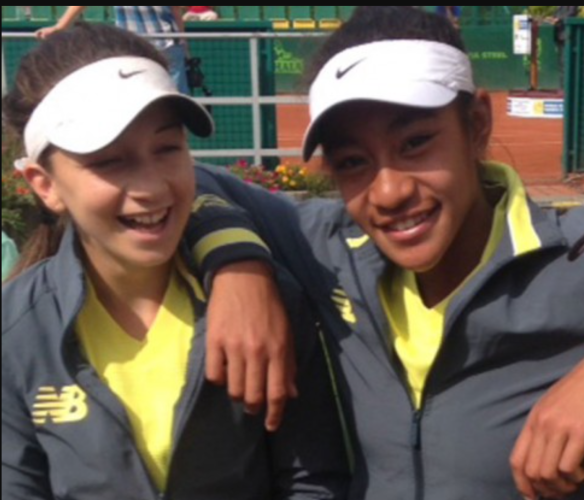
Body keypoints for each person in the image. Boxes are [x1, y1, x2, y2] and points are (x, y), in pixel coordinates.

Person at [192, 6, 584, 500]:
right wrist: (237, 267)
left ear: (477, 124)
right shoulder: (325, 246)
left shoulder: (568, 255)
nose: (389, 191)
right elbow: (194, 183)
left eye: (416, 142)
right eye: (353, 162)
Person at [1, 22, 349, 500]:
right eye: (109, 161)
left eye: (167, 148)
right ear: (45, 185)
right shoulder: (16, 331)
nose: (151, 187)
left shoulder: (275, 300)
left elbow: (312, 479)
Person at [36, 6, 190, 95]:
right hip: (136, 47)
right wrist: (59, 27)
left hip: (164, 45)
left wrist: (182, 42)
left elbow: (175, 9)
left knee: (171, 102)